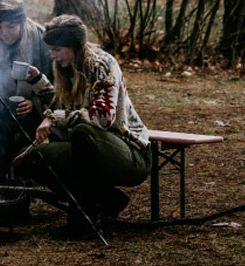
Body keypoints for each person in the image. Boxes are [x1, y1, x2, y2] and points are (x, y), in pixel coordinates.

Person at [17, 14, 151, 239]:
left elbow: (102, 118)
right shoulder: (67, 68)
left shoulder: (102, 64)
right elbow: (63, 105)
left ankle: (84, 221)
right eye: (51, 49)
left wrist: (53, 118)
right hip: (89, 150)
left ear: (74, 46)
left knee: (83, 132)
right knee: (32, 159)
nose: (52, 55)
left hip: (129, 151)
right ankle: (108, 199)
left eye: (57, 49)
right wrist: (38, 81)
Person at [0, 0, 54, 170]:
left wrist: (34, 103)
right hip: (0, 112)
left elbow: (56, 87)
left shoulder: (41, 41)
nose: (4, 32)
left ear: (21, 22)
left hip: (36, 115)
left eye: (10, 26)